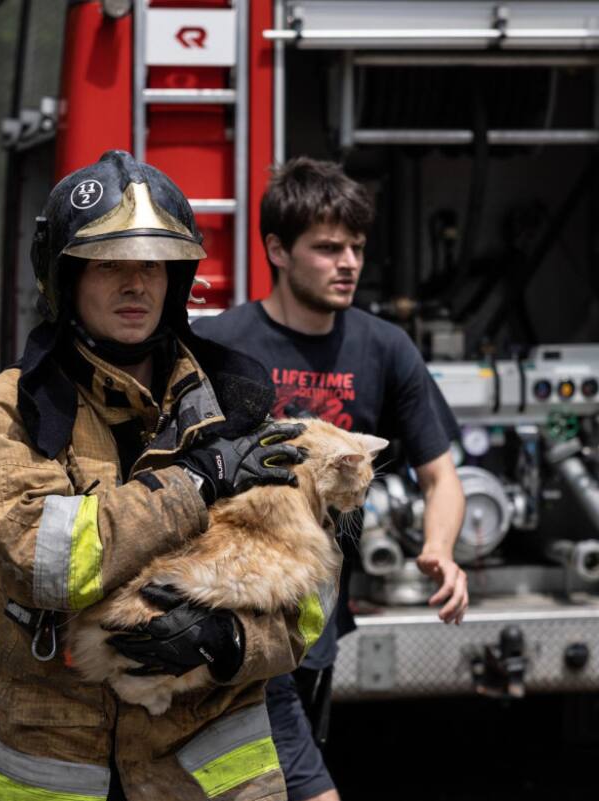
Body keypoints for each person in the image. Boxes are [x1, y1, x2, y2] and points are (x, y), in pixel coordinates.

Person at [0, 150, 324, 801]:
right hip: (57, 770)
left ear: (177, 278)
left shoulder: (236, 400)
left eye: (153, 264)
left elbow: (306, 612)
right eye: (109, 264)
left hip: (206, 778)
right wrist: (195, 482)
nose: (136, 283)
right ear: (65, 277)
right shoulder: (9, 406)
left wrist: (229, 637)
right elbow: (41, 562)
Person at [193, 157, 469, 801]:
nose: (347, 262)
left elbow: (441, 476)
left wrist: (442, 550)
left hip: (319, 619)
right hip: (239, 608)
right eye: (326, 247)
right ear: (277, 250)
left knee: (281, 775)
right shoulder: (218, 344)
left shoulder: (384, 347)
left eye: (356, 248)